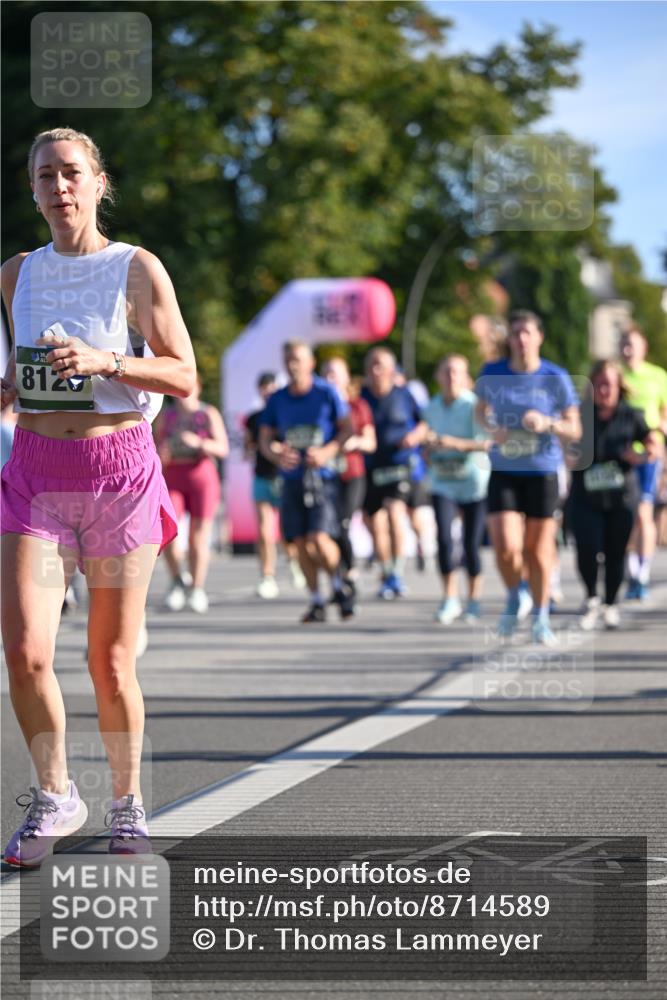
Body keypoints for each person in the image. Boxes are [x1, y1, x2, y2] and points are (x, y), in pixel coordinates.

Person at [0, 128, 196, 866]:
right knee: (23, 651)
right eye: (45, 175)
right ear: (32, 189)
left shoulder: (135, 269)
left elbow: (184, 376)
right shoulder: (15, 274)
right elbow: (8, 383)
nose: (59, 187)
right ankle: (55, 796)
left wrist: (106, 360)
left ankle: (126, 807)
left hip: (118, 471)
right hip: (37, 472)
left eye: (72, 173)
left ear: (98, 182)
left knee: (110, 661)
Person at [476, 310, 581, 645]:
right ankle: (515, 594)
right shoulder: (493, 372)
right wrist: (494, 429)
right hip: (505, 470)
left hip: (542, 471)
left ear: (539, 337)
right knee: (506, 547)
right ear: (509, 338)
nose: (521, 339)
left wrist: (548, 423)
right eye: (515, 333)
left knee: (537, 552)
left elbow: (574, 428)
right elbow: (478, 412)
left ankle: (541, 616)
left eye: (527, 333)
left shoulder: (555, 376)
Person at [258, 340, 353, 623]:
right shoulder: (278, 399)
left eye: (298, 359)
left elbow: (347, 429)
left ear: (311, 363)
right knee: (298, 543)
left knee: (319, 539)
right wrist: (276, 454)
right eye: (288, 360)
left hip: (321, 478)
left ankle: (339, 583)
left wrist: (327, 451)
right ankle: (316, 600)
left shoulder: (326, 393)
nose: (293, 365)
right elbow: (265, 439)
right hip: (291, 479)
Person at [570, 360, 660, 629]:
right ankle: (591, 597)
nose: (604, 390)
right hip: (585, 493)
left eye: (608, 384)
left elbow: (651, 441)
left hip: (621, 495)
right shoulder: (581, 414)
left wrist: (644, 453)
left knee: (615, 551)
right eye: (598, 384)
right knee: (587, 547)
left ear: (619, 386)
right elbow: (565, 439)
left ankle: (611, 603)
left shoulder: (631, 414)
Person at [423, 355, 491, 624]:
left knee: (471, 545)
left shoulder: (474, 405)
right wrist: (427, 448)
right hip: (442, 482)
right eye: (447, 371)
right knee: (443, 540)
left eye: (457, 372)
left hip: (474, 483)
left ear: (465, 378)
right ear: (439, 376)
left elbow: (486, 444)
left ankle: (473, 600)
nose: (451, 377)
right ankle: (450, 598)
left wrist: (452, 443)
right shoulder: (432, 406)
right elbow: (427, 437)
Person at [154, 377, 228, 613]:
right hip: (173, 476)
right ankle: (178, 580)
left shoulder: (207, 414)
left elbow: (223, 448)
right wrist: (162, 452)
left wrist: (199, 443)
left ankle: (197, 587)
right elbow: (155, 448)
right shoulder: (167, 415)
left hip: (202, 477)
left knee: (198, 537)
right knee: (169, 534)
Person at [361, 347, 429, 599]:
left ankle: (397, 574)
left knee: (395, 513)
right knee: (375, 525)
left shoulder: (405, 395)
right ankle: (387, 571)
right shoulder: (361, 398)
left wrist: (414, 436)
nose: (377, 371)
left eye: (382, 365)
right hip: (372, 467)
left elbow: (424, 423)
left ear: (392, 370)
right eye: (372, 365)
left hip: (400, 466)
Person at [244, 372, 306, 599]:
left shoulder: (285, 414)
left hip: (284, 476)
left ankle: (293, 561)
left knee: (285, 529)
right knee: (264, 530)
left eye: (272, 387)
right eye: (264, 387)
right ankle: (267, 576)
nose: (268, 391)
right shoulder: (253, 418)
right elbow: (248, 445)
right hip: (262, 475)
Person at [619, 326, 667, 600]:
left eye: (632, 344)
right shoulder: (615, 376)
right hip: (620, 454)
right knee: (625, 515)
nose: (628, 349)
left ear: (643, 348)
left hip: (647, 454)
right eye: (624, 344)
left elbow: (664, 414)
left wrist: (658, 435)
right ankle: (630, 569)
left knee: (644, 513)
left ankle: (642, 574)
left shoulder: (657, 376)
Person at [321, 358, 376, 594]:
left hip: (352, 473)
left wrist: (352, 441)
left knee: (342, 522)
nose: (332, 378)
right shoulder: (319, 407)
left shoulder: (357, 406)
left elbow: (371, 442)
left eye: (336, 373)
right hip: (327, 474)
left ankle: (350, 571)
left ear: (346, 377)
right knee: (328, 528)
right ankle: (337, 577)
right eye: (327, 374)